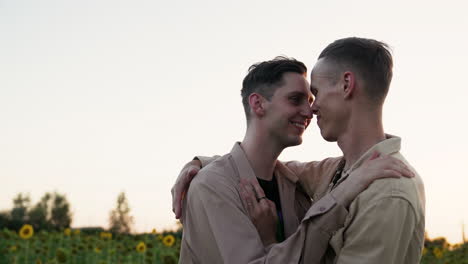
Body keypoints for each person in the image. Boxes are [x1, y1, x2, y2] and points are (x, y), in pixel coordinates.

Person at [175, 56, 414, 263]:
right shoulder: (211, 187)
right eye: (295, 99)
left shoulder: (292, 180)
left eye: (310, 100)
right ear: (258, 104)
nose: (310, 111)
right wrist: (341, 195)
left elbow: (357, 163)